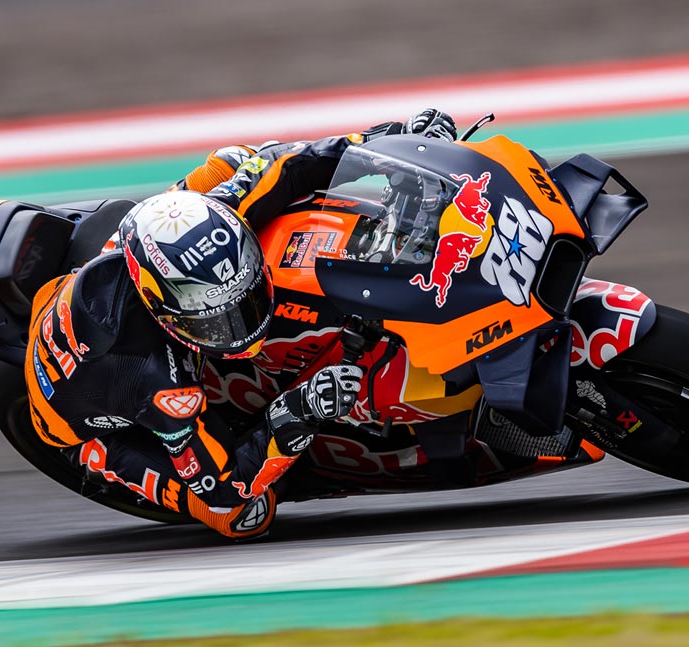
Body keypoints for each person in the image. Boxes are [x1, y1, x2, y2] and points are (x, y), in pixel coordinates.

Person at [23, 109, 457, 539]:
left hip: (105, 270)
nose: (237, 327)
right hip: (84, 425)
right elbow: (224, 487)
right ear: (161, 309)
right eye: (216, 320)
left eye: (242, 304)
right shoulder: (159, 384)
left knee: (238, 162)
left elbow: (284, 164)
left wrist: (390, 144)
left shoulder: (214, 218)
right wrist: (296, 412)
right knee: (243, 516)